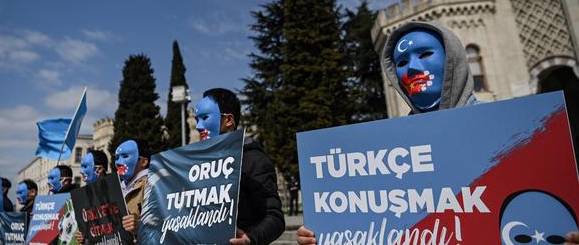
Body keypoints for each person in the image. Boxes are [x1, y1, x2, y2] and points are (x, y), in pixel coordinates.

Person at [296, 21, 579, 244]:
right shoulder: (383, 155)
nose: (413, 68)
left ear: (453, 58)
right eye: (402, 62)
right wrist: (324, 232)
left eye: (426, 54)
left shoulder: (521, 135)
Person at [195, 88, 285, 245]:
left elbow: (275, 218)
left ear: (229, 120)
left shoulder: (253, 160)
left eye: (205, 117)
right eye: (197, 120)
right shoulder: (199, 166)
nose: (198, 126)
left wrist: (249, 239)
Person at [115, 139, 150, 236]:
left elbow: (165, 223)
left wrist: (140, 226)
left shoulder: (154, 185)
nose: (118, 162)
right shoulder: (115, 187)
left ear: (143, 162)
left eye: (125, 156)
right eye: (117, 158)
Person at [75, 150, 109, 244]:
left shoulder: (116, 190)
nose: (81, 171)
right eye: (81, 167)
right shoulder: (83, 196)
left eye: (85, 166)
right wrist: (83, 238)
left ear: (99, 169)